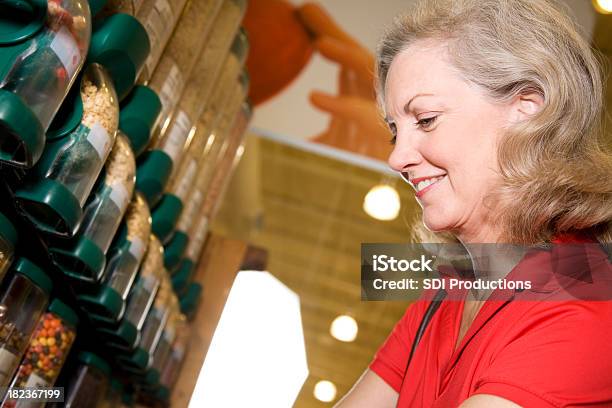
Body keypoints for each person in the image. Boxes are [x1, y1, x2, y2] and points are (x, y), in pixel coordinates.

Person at [329, 0, 612, 406]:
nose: (396, 157)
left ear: (527, 111)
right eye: (395, 131)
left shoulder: (583, 304)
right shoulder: (450, 288)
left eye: (425, 119)